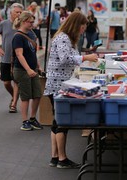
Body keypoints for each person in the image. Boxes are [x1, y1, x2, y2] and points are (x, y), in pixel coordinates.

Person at [44, 11, 98, 169]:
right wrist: (86, 58)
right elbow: (65, 58)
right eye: (83, 26)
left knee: (57, 121)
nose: (84, 29)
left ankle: (55, 157)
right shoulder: (63, 38)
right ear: (76, 25)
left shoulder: (65, 38)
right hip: (59, 85)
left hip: (60, 83)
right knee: (62, 122)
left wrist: (84, 57)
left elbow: (70, 57)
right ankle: (62, 158)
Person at [12, 11, 43, 131]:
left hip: (33, 69)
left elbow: (33, 53)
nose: (32, 24)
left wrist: (37, 66)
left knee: (37, 94)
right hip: (22, 70)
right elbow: (19, 55)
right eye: (30, 22)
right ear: (24, 22)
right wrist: (28, 69)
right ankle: (24, 121)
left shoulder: (31, 34)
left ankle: (32, 118)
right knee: (25, 96)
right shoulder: (18, 37)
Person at [0, 3, 24, 113]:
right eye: (17, 12)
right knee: (6, 82)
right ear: (11, 12)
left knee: (16, 81)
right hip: (5, 58)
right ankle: (14, 96)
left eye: (20, 12)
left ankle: (14, 103)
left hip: (19, 58)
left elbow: (32, 37)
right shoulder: (4, 23)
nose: (19, 14)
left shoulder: (23, 24)